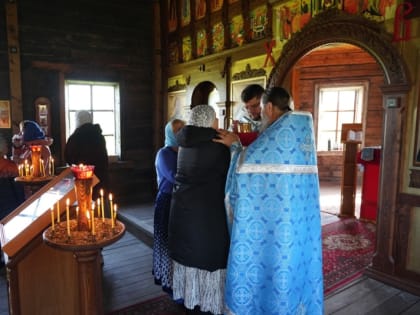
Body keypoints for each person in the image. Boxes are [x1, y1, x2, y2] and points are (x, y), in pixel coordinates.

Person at [214, 87, 324, 315]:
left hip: (275, 225)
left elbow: (245, 166)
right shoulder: (302, 129)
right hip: (300, 222)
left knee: (274, 262)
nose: (260, 114)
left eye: (261, 109)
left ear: (270, 107)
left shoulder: (279, 132)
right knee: (297, 263)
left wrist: (234, 145)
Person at [168, 105, 231, 315]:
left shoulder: (185, 142)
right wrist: (235, 146)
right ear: (211, 121)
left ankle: (191, 298)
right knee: (207, 255)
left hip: (182, 209)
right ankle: (208, 303)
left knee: (190, 255)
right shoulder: (218, 146)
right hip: (207, 213)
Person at [153, 118, 185, 294]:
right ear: (169, 133)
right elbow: (175, 176)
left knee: (177, 242)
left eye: (183, 128)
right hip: (166, 201)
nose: (180, 131)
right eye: (177, 129)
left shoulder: (185, 151)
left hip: (179, 201)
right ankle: (167, 281)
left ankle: (179, 282)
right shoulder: (164, 153)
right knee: (165, 241)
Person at [64, 110, 108, 199]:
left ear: (78, 121)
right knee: (100, 203)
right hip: (100, 175)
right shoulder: (99, 136)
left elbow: (68, 157)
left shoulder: (75, 138)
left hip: (83, 178)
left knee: (85, 202)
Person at [0, 134, 24, 220]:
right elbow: (19, 189)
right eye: (6, 145)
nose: (8, 147)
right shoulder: (10, 166)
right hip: (10, 207)